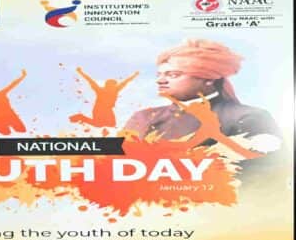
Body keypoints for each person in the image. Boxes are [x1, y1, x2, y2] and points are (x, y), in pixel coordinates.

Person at [120, 38, 282, 159]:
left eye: (173, 75)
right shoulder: (143, 117)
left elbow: (267, 173)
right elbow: (112, 162)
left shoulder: (248, 117)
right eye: (159, 74)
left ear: (209, 79)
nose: (160, 80)